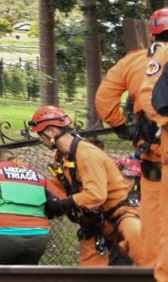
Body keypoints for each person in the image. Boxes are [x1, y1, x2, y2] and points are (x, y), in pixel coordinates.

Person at [95, 6, 168, 282]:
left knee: (155, 216)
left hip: (151, 153)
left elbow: (104, 99)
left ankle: (154, 270)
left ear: (153, 32)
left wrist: (121, 127)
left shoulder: (136, 61)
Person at [31, 104, 141, 267]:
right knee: (90, 274)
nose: (41, 139)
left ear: (52, 131)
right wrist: (47, 199)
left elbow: (96, 194)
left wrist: (65, 204)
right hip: (94, 221)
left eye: (41, 134)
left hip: (120, 215)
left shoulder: (86, 154)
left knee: (140, 250)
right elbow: (60, 186)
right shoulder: (63, 157)